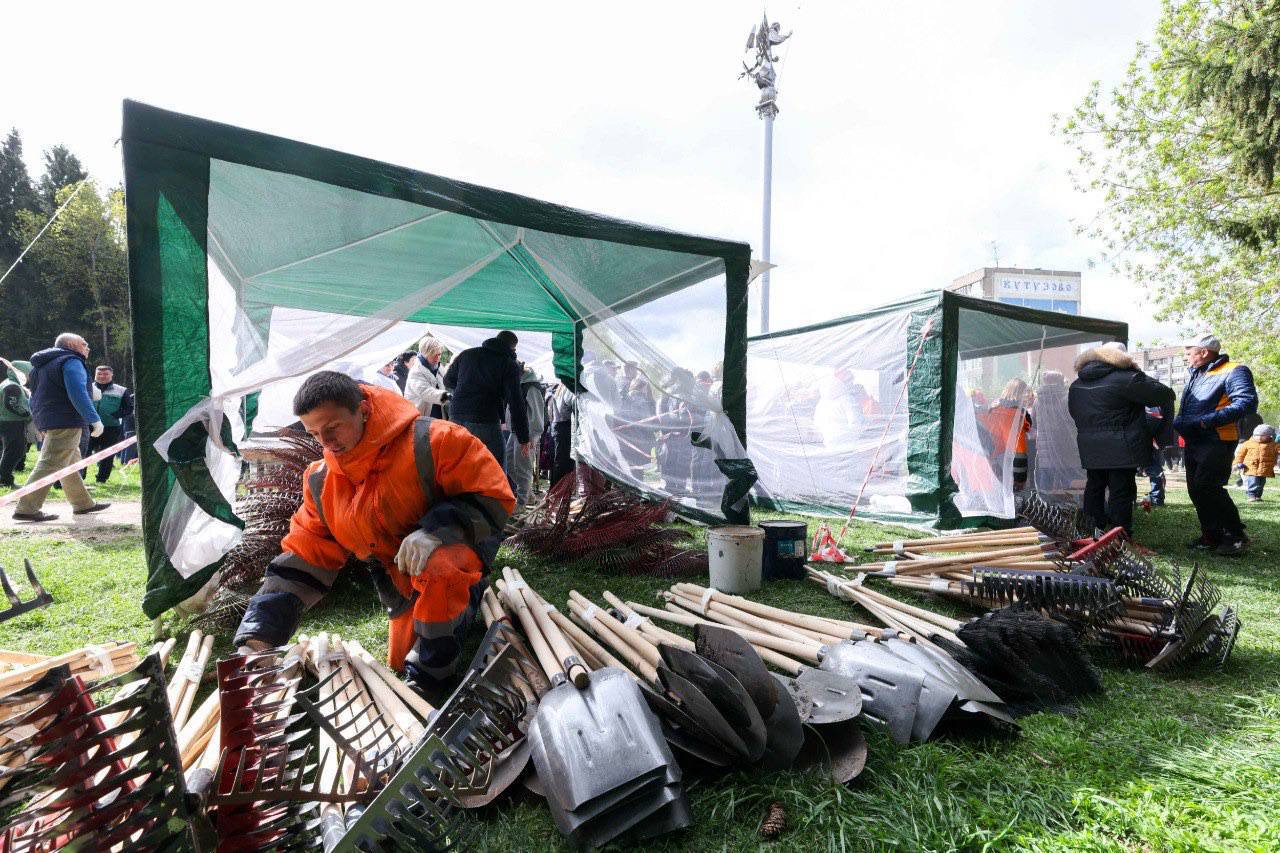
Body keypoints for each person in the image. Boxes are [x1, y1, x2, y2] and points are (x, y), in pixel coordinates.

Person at [234, 371, 514, 689]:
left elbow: (493, 495)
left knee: (439, 592)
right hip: (397, 570)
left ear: (364, 410)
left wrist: (437, 531)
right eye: (314, 434)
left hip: (451, 552)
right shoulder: (321, 480)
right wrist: (259, 636)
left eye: (332, 428)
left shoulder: (437, 440)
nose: (325, 443)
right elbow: (304, 558)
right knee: (400, 655)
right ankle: (459, 603)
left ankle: (433, 671)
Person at [1067, 343, 1174, 535]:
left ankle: (1091, 532)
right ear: (1121, 358)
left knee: (1094, 487)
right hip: (1123, 445)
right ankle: (1119, 537)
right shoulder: (1128, 379)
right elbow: (1165, 394)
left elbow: (1074, 413)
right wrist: (1136, 371)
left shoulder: (1077, 384)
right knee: (1121, 492)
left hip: (1090, 445)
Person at [1173, 333, 1259, 555]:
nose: (1185, 356)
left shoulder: (1234, 369)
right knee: (1196, 489)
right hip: (1195, 438)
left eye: (1188, 351)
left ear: (1203, 352)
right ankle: (1211, 535)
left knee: (1208, 486)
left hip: (1217, 438)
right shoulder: (1197, 373)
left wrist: (1206, 422)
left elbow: (1246, 402)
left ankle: (1236, 535)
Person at [12, 334, 110, 521]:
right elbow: (77, 392)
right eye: (84, 344)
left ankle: (82, 504)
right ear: (72, 345)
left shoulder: (39, 367)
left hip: (50, 419)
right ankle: (26, 508)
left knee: (70, 464)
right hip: (67, 419)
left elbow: (34, 397)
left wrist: (40, 422)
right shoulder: (71, 361)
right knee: (50, 462)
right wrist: (94, 419)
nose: (88, 348)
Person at [443, 330, 530, 469]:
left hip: (456, 416)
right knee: (495, 467)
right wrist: (523, 437)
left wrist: (465, 388)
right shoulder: (508, 364)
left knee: (458, 464)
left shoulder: (467, 354)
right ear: (513, 349)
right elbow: (516, 402)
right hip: (485, 419)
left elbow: (447, 381)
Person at [504, 363, 546, 508]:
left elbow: (537, 413)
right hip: (515, 431)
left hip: (526, 433)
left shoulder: (531, 386)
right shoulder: (519, 384)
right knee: (510, 463)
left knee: (523, 467)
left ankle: (521, 502)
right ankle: (528, 495)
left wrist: (533, 436)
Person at [89, 365, 133, 483]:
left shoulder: (121, 390)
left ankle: (102, 479)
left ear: (111, 375)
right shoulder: (87, 388)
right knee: (84, 453)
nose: (102, 376)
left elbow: (128, 409)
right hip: (89, 427)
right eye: (99, 374)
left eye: (105, 374)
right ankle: (80, 477)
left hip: (111, 428)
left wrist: (115, 415)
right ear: (95, 375)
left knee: (107, 454)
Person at [0, 359, 32, 488]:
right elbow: (11, 404)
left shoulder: (9, 383)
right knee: (15, 451)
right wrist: (27, 414)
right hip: (11, 422)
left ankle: (4, 478)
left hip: (8, 421)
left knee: (11, 450)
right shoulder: (12, 386)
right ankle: (5, 480)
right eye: (29, 373)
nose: (30, 376)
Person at [404, 335, 450, 419]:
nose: (437, 358)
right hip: (421, 419)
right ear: (425, 353)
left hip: (439, 417)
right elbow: (426, 392)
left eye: (439, 354)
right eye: (433, 354)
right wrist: (448, 396)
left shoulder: (439, 368)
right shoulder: (416, 371)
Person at [1234, 424, 1276, 502]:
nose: (1259, 437)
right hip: (1251, 467)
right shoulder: (1247, 443)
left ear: (1269, 436)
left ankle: (1258, 496)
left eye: (1263, 435)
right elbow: (1240, 454)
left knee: (1261, 483)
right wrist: (1237, 463)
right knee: (1253, 482)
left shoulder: (1273, 444)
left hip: (1264, 468)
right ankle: (1251, 495)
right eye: (1257, 435)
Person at [548, 383, 577, 485]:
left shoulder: (561, 387)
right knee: (563, 462)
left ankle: (556, 491)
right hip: (564, 426)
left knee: (559, 460)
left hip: (558, 425)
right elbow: (567, 407)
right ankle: (558, 492)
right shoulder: (568, 388)